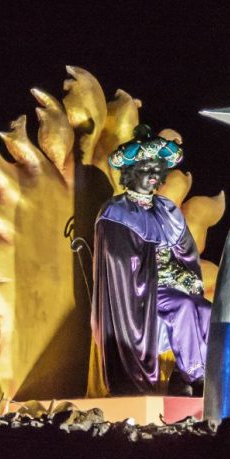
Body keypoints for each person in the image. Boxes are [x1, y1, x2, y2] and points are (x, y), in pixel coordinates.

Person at [88, 125, 210, 397]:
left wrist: (187, 275)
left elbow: (185, 250)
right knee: (184, 307)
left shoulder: (166, 210)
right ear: (131, 173)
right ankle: (195, 375)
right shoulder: (115, 211)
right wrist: (160, 271)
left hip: (168, 287)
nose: (154, 175)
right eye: (146, 169)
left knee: (207, 310)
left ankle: (183, 377)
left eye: (157, 169)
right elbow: (119, 263)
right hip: (138, 294)